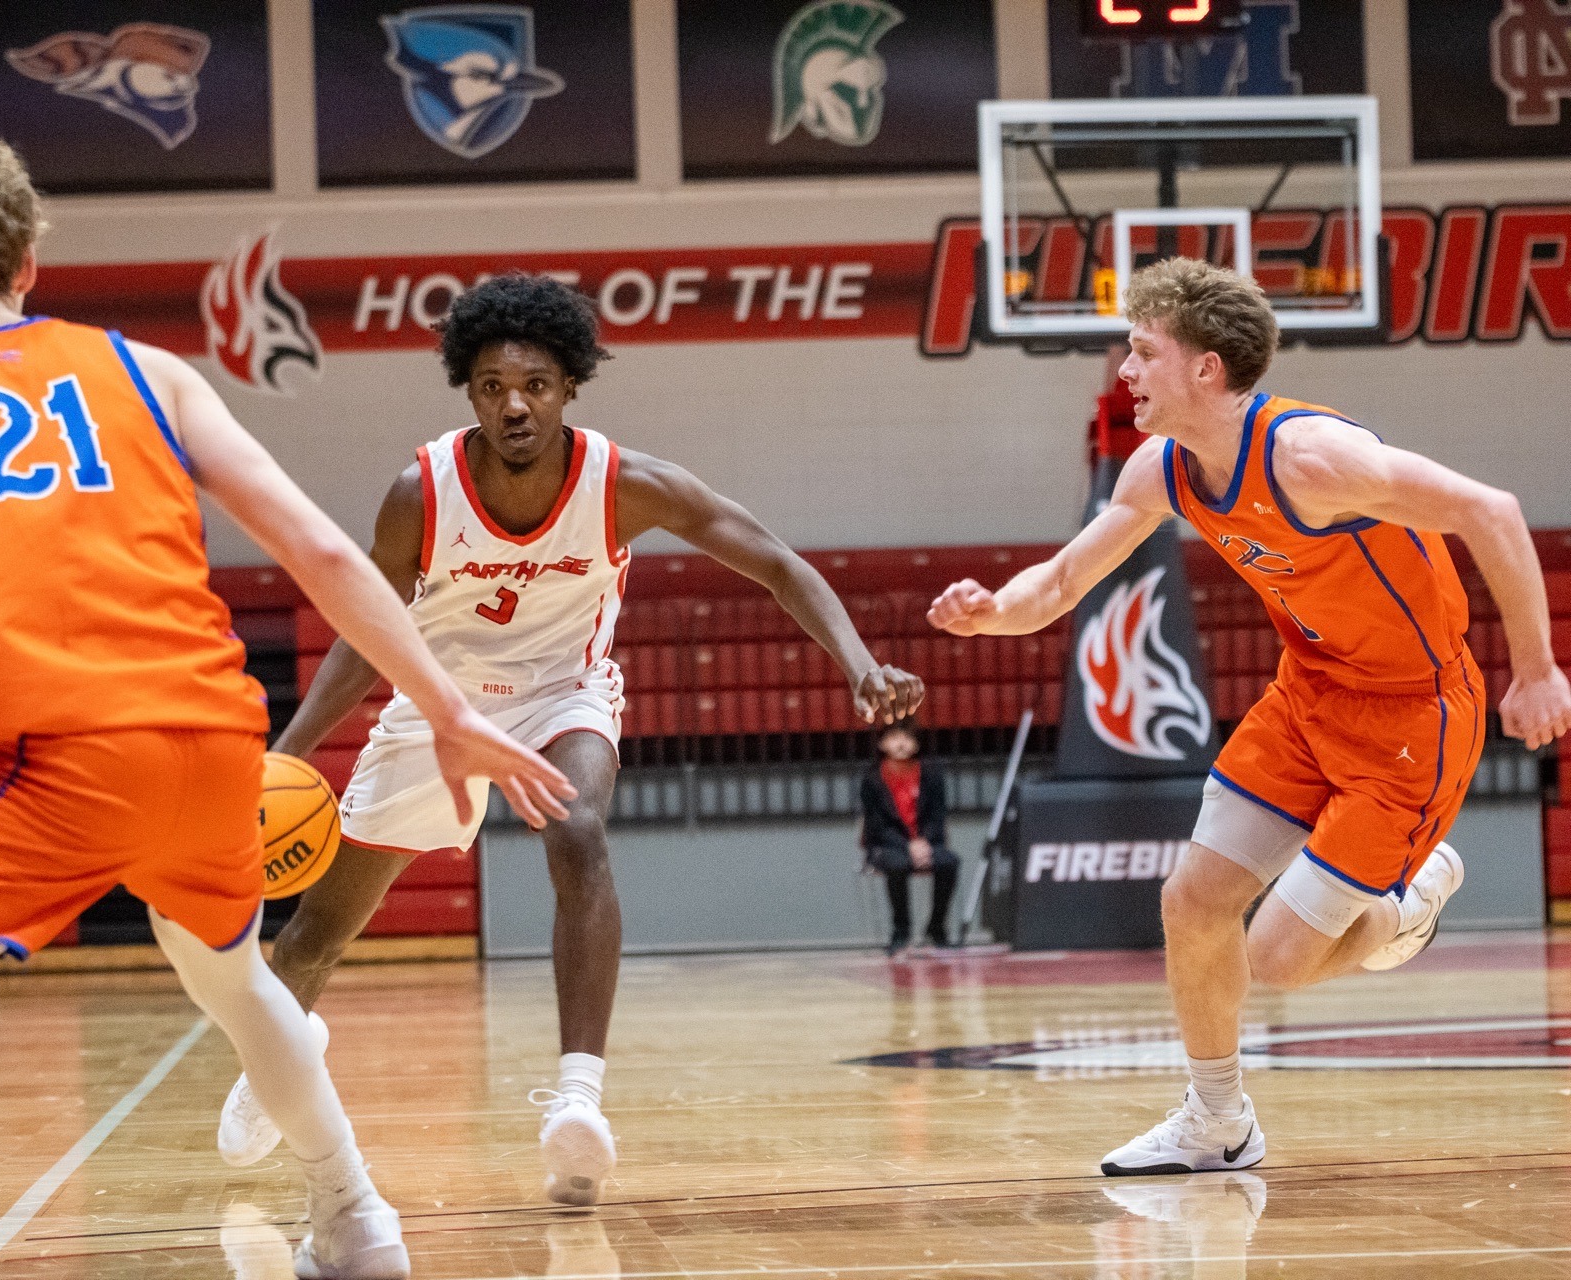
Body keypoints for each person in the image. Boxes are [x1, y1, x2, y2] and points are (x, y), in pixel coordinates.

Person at [0, 136, 575, 1280]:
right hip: (209, 746)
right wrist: (442, 702)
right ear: (32, 260)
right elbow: (325, 548)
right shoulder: (149, 370)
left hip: (50, 759)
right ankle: (356, 1219)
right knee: (234, 981)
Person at [218, 272, 925, 1206]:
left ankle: (579, 1101)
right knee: (312, 935)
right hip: (442, 706)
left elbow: (778, 564)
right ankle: (277, 1059)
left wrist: (858, 661)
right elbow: (365, 634)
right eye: (494, 388)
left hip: (566, 694)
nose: (516, 405)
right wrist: (294, 752)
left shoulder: (624, 485)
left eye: (537, 385)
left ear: (570, 387)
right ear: (468, 394)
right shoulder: (420, 491)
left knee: (579, 829)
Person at [929, 258, 1571, 1177]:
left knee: (1276, 959)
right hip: (1307, 694)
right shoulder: (1163, 468)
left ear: (1205, 371)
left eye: (1143, 351)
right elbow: (1065, 581)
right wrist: (996, 607)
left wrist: (1539, 670)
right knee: (1192, 901)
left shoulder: (1313, 459)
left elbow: (1491, 511)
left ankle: (1411, 898)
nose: (1126, 371)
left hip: (1411, 718)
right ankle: (1216, 1120)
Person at [859, 722, 956, 955]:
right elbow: (876, 826)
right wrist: (908, 845)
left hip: (926, 843)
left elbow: (937, 816)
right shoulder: (872, 780)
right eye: (894, 738)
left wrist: (924, 842)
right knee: (898, 864)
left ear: (917, 744)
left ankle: (936, 929)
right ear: (882, 744)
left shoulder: (931, 776)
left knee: (948, 862)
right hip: (887, 845)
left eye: (907, 738)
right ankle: (901, 932)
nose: (901, 743)